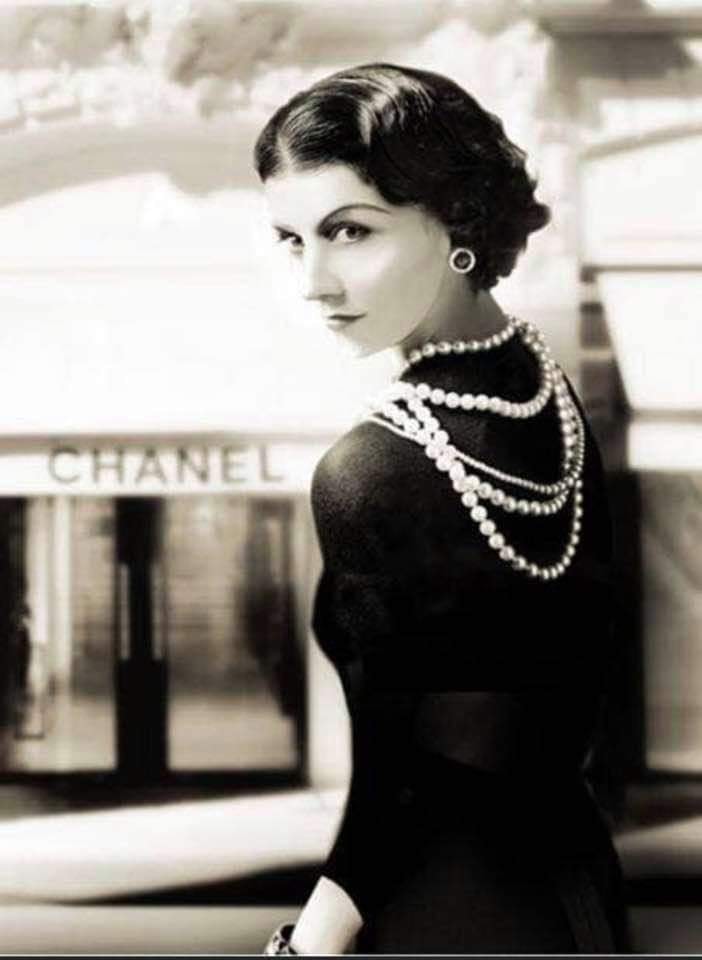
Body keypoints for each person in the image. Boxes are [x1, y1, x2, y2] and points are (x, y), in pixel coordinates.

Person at [254, 62, 630, 955]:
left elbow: (401, 784)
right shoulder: (549, 394)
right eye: (293, 241)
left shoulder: (372, 470)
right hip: (578, 890)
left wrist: (305, 947)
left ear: (457, 220)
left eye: (350, 231)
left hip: (443, 907)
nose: (314, 282)